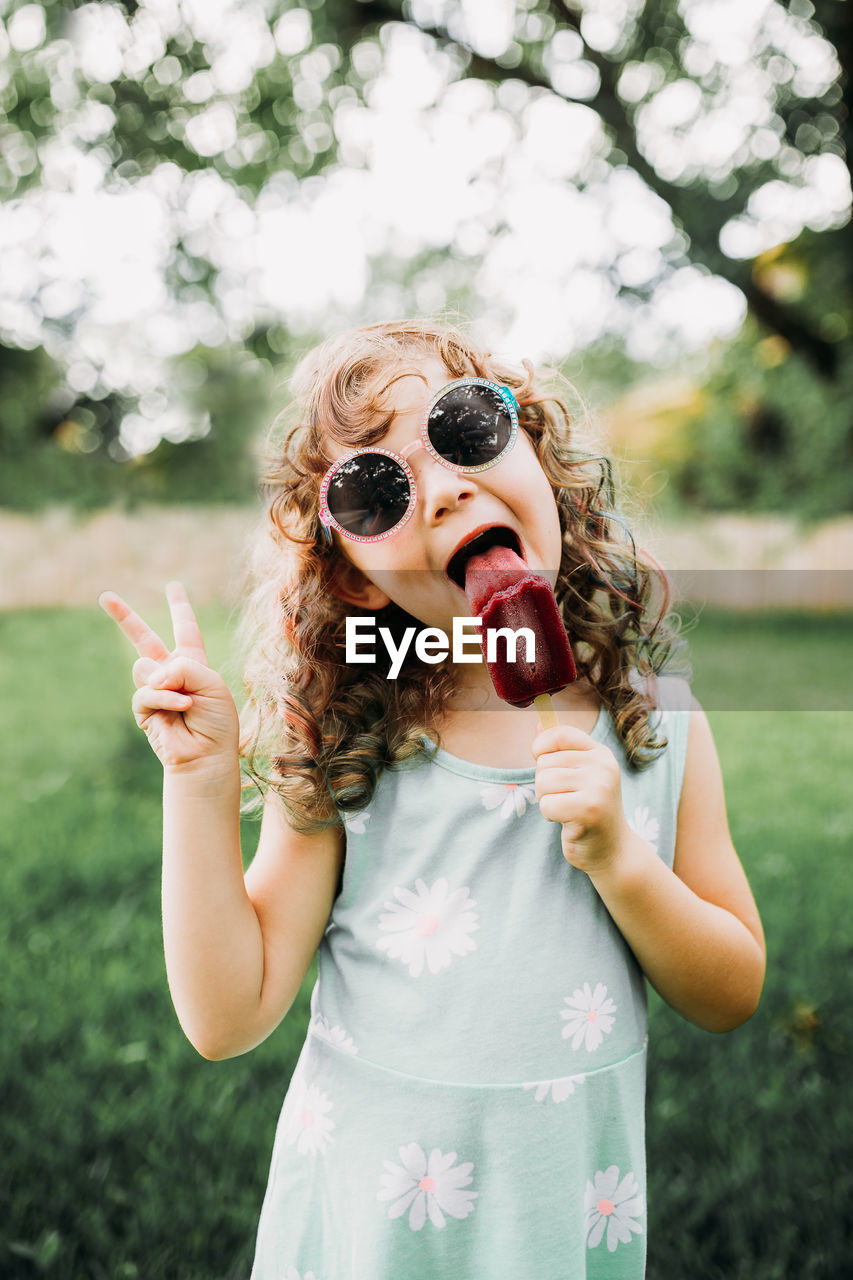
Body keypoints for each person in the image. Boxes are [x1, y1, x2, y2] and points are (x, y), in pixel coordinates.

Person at [100, 318, 765, 1279]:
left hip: (559, 1206)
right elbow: (226, 1016)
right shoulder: (347, 742)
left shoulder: (656, 720)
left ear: (537, 454)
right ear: (353, 580)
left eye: (468, 429)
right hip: (373, 1218)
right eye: (378, 490)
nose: (447, 485)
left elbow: (730, 990)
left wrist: (623, 862)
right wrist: (199, 784)